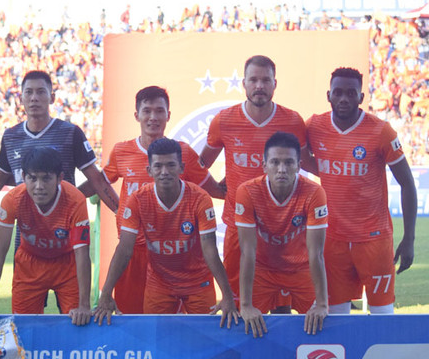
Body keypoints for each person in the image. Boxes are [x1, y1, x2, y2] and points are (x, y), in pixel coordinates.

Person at [81, 85, 224, 314]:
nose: (153, 117)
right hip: (133, 252)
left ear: (168, 115)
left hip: (169, 257)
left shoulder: (182, 153)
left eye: (159, 111)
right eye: (147, 111)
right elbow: (99, 183)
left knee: (171, 326)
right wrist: (116, 208)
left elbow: (214, 189)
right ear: (137, 115)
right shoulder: (121, 151)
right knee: (130, 318)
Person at [305, 67, 417, 314]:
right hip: (332, 239)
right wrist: (330, 171)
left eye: (350, 93)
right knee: (336, 316)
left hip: (374, 240)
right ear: (328, 95)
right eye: (338, 92)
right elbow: (299, 157)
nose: (343, 98)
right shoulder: (314, 126)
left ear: (361, 97)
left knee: (382, 315)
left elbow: (407, 184)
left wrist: (409, 238)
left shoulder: (381, 131)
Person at [94, 138, 238, 326]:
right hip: (159, 284)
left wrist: (227, 296)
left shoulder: (200, 198)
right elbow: (124, 249)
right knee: (155, 336)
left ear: (181, 168)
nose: (164, 172)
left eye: (171, 165)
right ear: (149, 170)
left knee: (205, 335)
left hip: (198, 283)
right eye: (158, 166)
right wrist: (106, 293)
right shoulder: (137, 200)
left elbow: (210, 250)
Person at [199, 55, 307, 303]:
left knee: (281, 304)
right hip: (239, 223)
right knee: (238, 301)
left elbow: (307, 162)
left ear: (275, 84)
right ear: (244, 83)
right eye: (254, 80)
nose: (259, 86)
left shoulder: (292, 121)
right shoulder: (224, 120)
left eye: (265, 80)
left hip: (281, 228)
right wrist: (217, 190)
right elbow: (201, 164)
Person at [0, 70, 118, 219]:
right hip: (26, 229)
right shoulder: (11, 136)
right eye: (29, 92)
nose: (34, 98)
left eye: (41, 92)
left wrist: (120, 213)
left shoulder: (70, 133)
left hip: (66, 227)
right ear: (21, 99)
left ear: (52, 98)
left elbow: (96, 180)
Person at [0, 147, 93, 329]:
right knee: (23, 327)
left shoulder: (75, 200)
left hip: (67, 264)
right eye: (33, 178)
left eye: (46, 178)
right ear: (23, 177)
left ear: (60, 178)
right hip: (29, 264)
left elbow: (82, 254)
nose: (39, 186)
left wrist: (84, 305)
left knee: (78, 324)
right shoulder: (12, 199)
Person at [235, 132, 329, 337]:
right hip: (263, 269)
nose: (282, 169)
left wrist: (322, 304)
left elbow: (316, 253)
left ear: (299, 165)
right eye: (275, 162)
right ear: (264, 165)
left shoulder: (314, 193)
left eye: (288, 162)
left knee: (321, 327)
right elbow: (247, 251)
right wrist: (246, 304)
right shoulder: (247, 191)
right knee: (245, 328)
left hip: (301, 268)